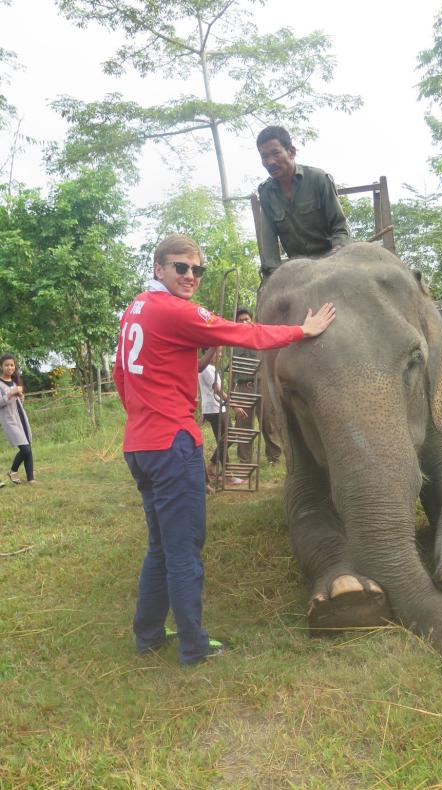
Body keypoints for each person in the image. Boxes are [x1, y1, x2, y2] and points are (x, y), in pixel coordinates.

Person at [113, 233, 335, 665]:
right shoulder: (176, 311)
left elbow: (123, 375)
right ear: (158, 268)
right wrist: (301, 330)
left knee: (160, 545)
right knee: (183, 548)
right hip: (171, 444)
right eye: (181, 267)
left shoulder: (134, 309)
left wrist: (143, 413)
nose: (191, 276)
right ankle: (194, 646)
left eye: (198, 269)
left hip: (139, 444)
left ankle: (149, 634)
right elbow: (243, 333)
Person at [256, 125, 351, 277]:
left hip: (331, 259)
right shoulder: (266, 193)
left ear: (291, 152)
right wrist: (272, 273)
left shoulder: (318, 179)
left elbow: (339, 226)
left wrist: (336, 256)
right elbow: (269, 243)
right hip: (297, 268)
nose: (270, 162)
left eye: (275, 153)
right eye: (264, 156)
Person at [232, 307, 281, 464]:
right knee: (243, 426)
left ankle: (274, 457)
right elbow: (232, 368)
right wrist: (232, 393)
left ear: (252, 320)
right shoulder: (232, 342)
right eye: (240, 320)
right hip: (242, 388)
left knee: (268, 422)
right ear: (235, 323)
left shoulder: (260, 337)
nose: (244, 322)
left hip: (261, 386)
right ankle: (244, 460)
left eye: (247, 319)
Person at [198, 347, 247, 486]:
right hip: (215, 408)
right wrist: (235, 406)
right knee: (227, 438)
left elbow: (205, 390)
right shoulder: (206, 369)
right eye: (217, 352)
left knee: (224, 440)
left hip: (216, 407)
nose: (219, 354)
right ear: (208, 353)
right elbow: (217, 390)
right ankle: (225, 472)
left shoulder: (210, 368)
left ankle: (214, 468)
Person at [0, 353, 35, 486]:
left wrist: (20, 396)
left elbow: (18, 402)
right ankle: (13, 471)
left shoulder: (15, 382)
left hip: (21, 418)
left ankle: (31, 478)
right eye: (6, 365)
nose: (10, 368)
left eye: (12, 365)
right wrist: (10, 393)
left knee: (28, 447)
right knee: (25, 448)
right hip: (10, 420)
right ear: (1, 367)